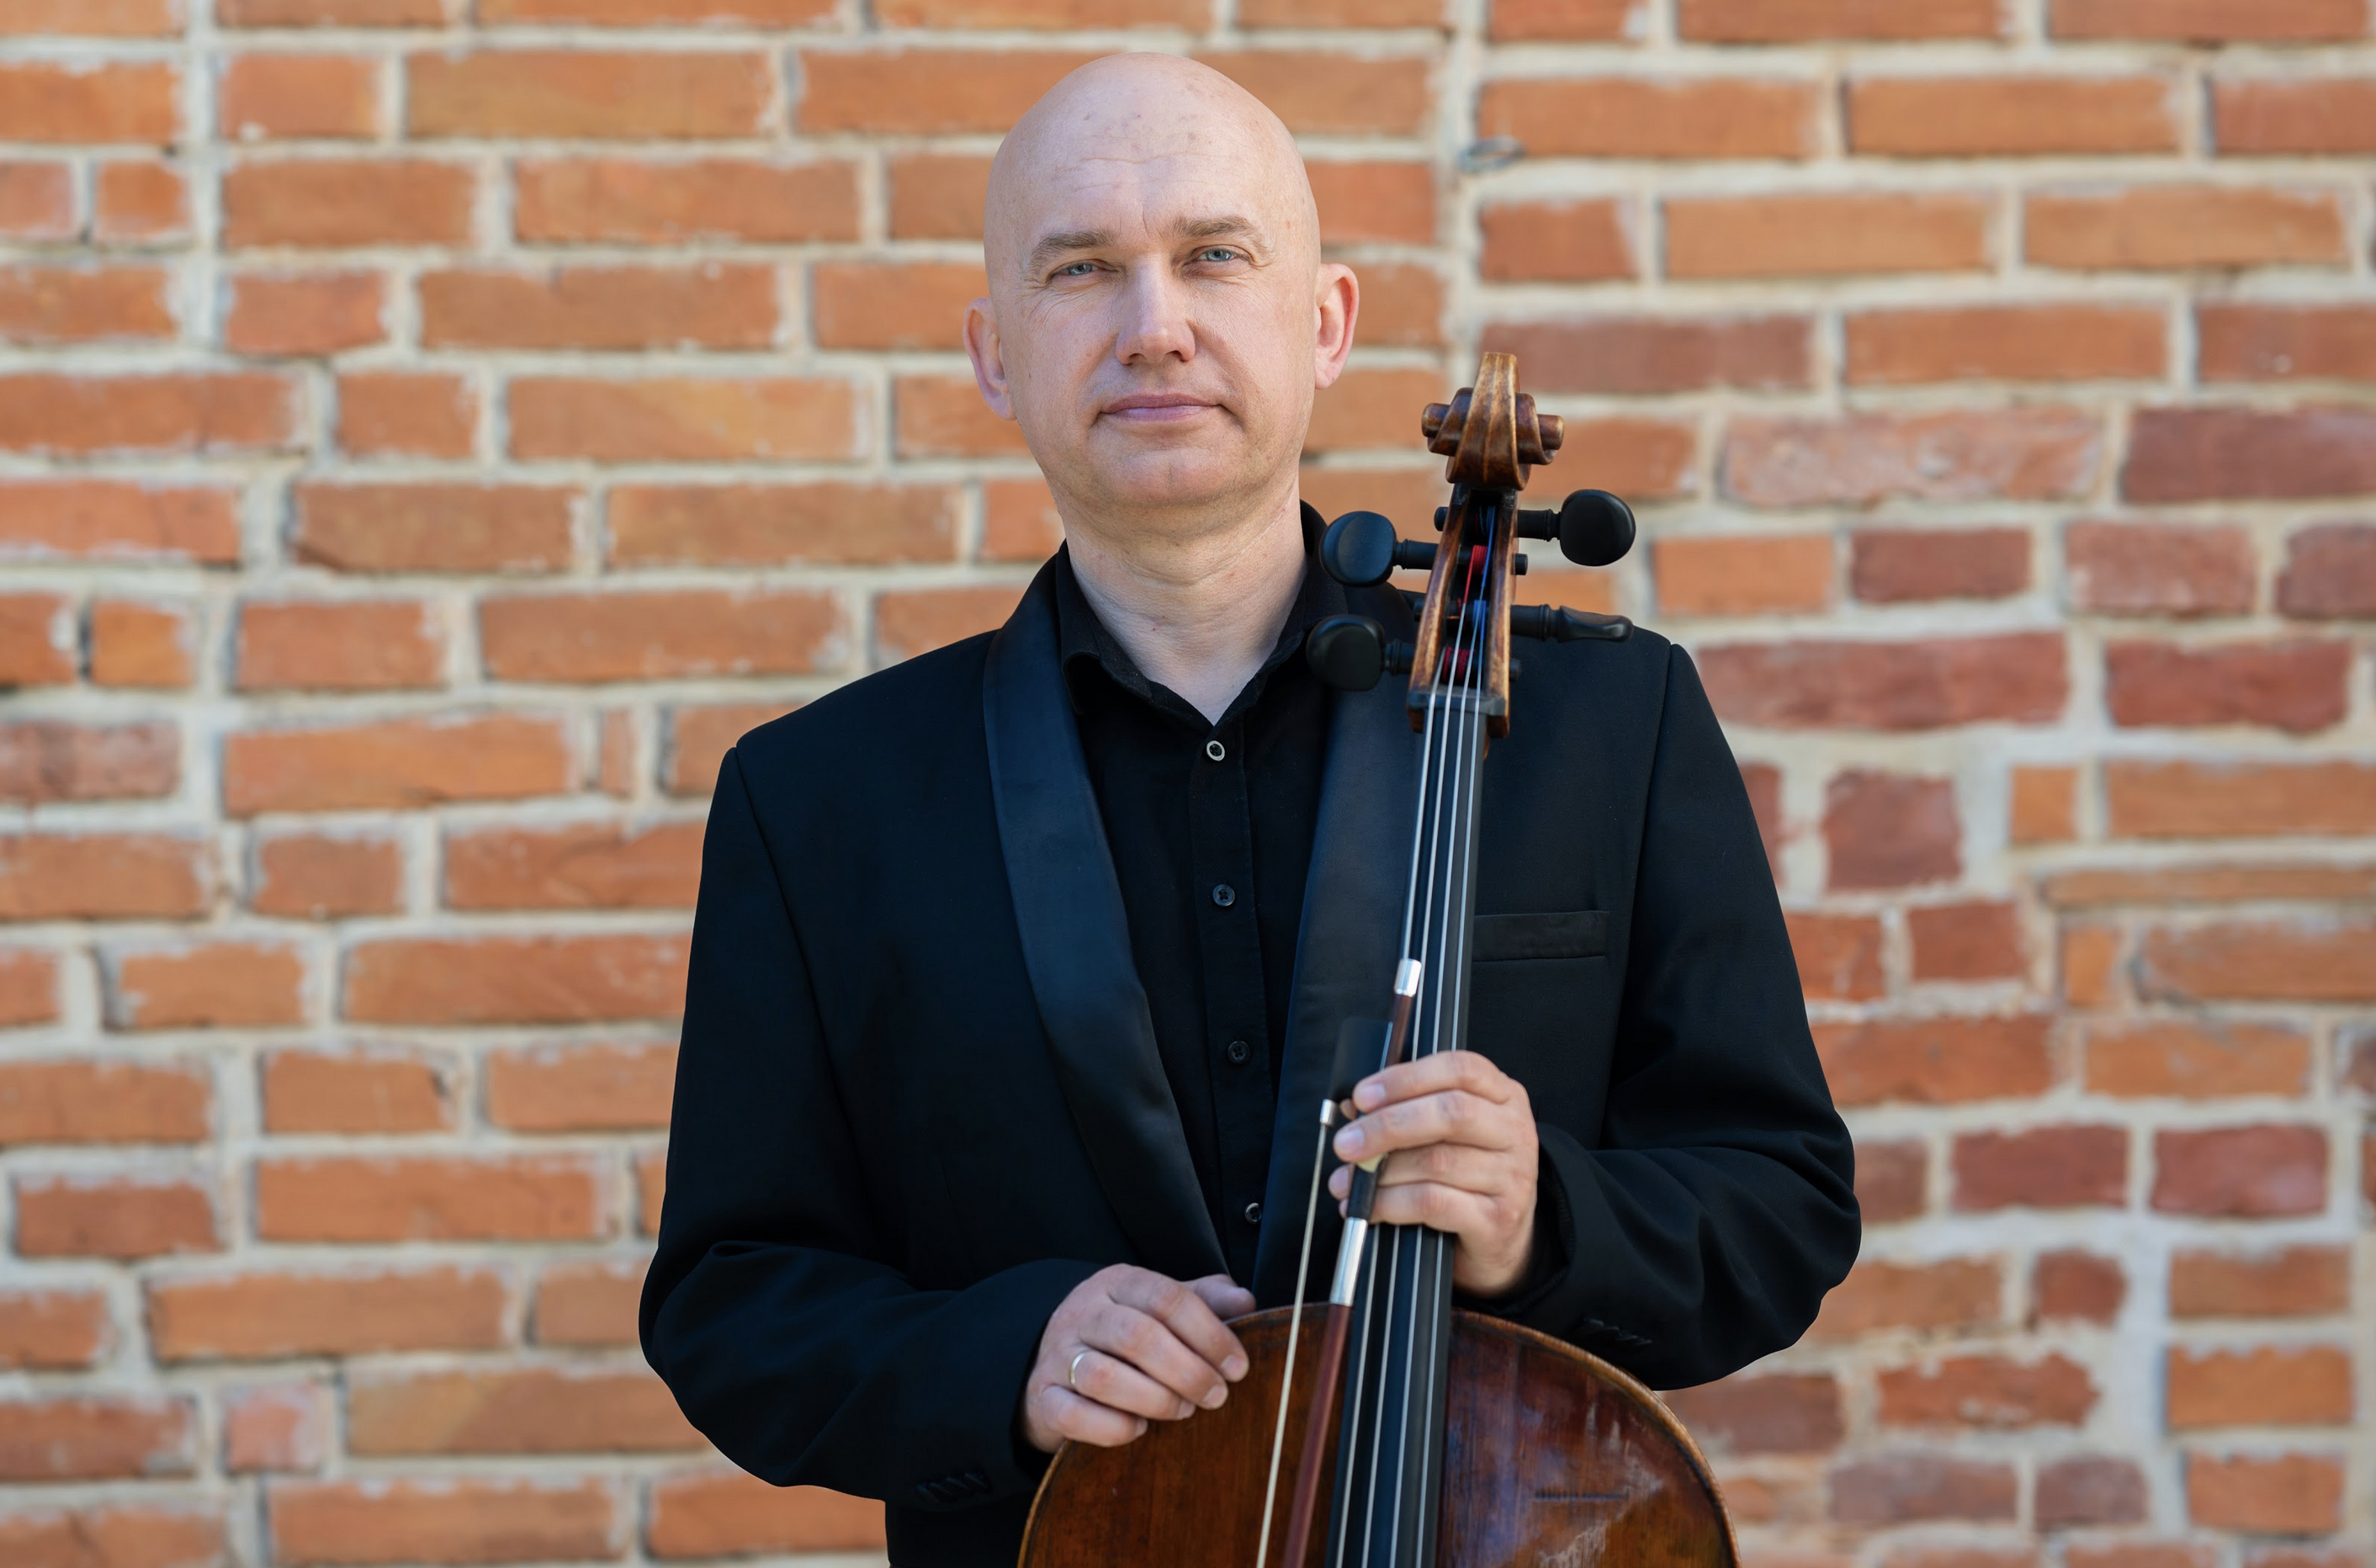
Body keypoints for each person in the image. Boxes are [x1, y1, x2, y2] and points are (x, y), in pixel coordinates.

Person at [642, 52, 1858, 1568]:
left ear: (1326, 322)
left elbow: (1781, 1207)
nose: (1154, 325)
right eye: (1081, 269)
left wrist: (1545, 1217)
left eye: (1215, 255)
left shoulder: (1612, 724)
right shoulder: (819, 797)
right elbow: (734, 1300)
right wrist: (1006, 1357)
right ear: (996, 356)